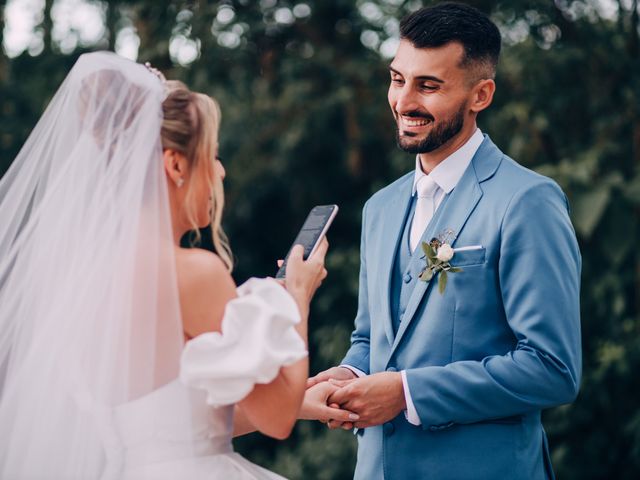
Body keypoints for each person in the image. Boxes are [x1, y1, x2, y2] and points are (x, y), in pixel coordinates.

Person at [0, 51, 350, 479]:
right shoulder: (193, 274)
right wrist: (297, 295)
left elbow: (175, 424)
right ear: (177, 164)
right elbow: (275, 418)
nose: (220, 172)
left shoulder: (81, 278)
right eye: (213, 155)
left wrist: (302, 405)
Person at [302, 3, 582, 479]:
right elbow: (373, 339)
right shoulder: (381, 207)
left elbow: (551, 368)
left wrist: (407, 392)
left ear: (481, 94)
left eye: (428, 86)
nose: (404, 101)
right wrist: (348, 376)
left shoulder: (527, 200)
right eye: (397, 79)